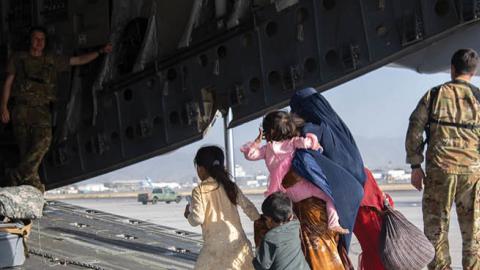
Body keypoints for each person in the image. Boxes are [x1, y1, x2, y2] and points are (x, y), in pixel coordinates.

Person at [0, 26, 112, 192]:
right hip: (21, 110)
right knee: (27, 152)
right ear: (30, 40)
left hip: (41, 111)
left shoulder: (52, 60)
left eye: (42, 39)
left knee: (44, 142)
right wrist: (3, 107)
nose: (39, 42)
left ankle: (14, 177)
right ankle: (34, 190)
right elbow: (8, 83)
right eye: (36, 38)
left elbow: (78, 60)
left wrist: (100, 52)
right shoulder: (18, 58)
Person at [405, 48, 480, 270]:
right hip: (472, 174)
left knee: (436, 231)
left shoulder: (434, 95)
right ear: (473, 72)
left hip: (440, 173)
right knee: (474, 234)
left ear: (452, 69)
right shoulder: (478, 98)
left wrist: (416, 165)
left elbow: (415, 128)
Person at [241, 110, 348, 234]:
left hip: (284, 193)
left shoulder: (266, 149)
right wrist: (313, 140)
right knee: (330, 197)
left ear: (269, 132)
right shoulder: (293, 142)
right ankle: (333, 223)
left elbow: (250, 155)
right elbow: (308, 143)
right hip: (304, 189)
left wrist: (257, 142)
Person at [184, 146, 260, 270]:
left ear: (201, 168)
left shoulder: (199, 190)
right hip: (238, 244)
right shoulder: (229, 186)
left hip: (214, 249)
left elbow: (197, 218)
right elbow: (249, 207)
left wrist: (188, 215)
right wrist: (258, 219)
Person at [253, 192, 310, 270]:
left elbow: (261, 266)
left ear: (269, 220)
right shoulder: (295, 224)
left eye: (266, 218)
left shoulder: (270, 238)